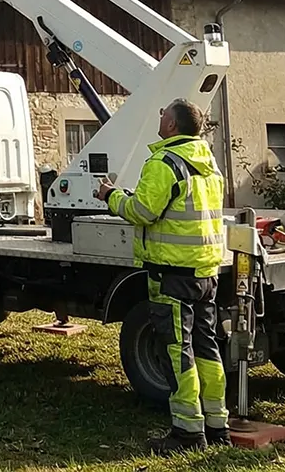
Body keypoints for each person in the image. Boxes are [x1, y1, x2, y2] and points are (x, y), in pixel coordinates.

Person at [96, 98, 229, 455]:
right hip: (204, 270)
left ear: (172, 126)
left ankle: (187, 434)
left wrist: (110, 196)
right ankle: (217, 425)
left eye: (163, 113)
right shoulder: (208, 163)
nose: (159, 116)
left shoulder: (164, 163)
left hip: (171, 274)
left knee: (176, 351)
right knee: (207, 348)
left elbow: (141, 211)